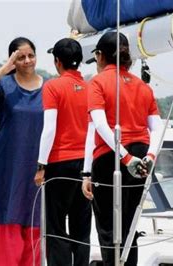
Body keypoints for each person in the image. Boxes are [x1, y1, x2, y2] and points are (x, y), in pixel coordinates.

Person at [81, 31, 163, 265]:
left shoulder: (97, 82)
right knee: (129, 228)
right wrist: (149, 156)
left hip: (111, 157)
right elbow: (156, 129)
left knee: (108, 229)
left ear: (100, 56)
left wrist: (124, 159)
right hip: (141, 156)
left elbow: (99, 125)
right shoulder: (143, 87)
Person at [0, 37, 44, 266]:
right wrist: (4, 69)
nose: (27, 61)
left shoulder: (49, 86)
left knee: (35, 228)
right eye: (20, 57)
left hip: (38, 169)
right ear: (13, 59)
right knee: (8, 228)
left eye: (30, 55)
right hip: (9, 168)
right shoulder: (5, 84)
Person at [34, 38, 91, 266]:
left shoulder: (52, 87)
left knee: (56, 228)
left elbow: (49, 129)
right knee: (81, 227)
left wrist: (41, 166)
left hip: (59, 164)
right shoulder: (90, 88)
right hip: (85, 166)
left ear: (58, 62)